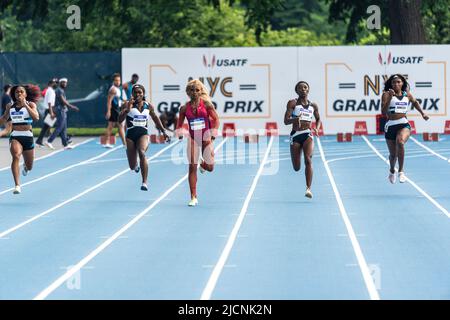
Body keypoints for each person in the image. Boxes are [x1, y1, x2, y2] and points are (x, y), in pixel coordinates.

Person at [176, 79, 220, 207]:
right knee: (191, 166)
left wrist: (213, 132)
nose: (194, 92)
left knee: (211, 168)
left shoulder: (206, 105)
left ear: (201, 91)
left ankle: (204, 165)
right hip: (193, 138)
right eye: (192, 90)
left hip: (206, 137)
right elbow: (179, 124)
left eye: (197, 90)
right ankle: (193, 197)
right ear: (188, 92)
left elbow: (216, 119)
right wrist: (179, 132)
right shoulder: (184, 108)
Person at [119, 84, 169, 191]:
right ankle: (135, 165)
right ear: (132, 94)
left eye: (140, 92)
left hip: (143, 135)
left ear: (143, 94)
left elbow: (155, 118)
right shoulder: (126, 105)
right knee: (132, 166)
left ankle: (144, 182)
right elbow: (119, 120)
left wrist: (164, 131)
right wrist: (127, 109)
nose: (137, 94)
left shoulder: (148, 106)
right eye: (135, 92)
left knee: (142, 152)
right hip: (130, 137)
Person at [382, 74, 429, 183]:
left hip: (403, 123)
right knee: (393, 155)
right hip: (390, 125)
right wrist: (390, 97)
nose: (396, 84)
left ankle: (401, 171)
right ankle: (392, 170)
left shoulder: (407, 94)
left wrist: (423, 113)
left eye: (398, 82)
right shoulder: (386, 94)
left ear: (402, 83)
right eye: (394, 82)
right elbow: (383, 112)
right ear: (391, 84)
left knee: (401, 142)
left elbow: (415, 102)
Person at [284, 81, 321, 199]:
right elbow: (286, 120)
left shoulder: (313, 105)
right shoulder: (292, 103)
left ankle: (308, 188)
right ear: (297, 91)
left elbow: (318, 118)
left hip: (307, 134)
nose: (303, 89)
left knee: (308, 160)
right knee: (296, 167)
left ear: (308, 89)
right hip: (295, 135)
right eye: (300, 88)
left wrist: (317, 128)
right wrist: (294, 120)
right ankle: (298, 154)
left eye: (305, 87)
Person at [0, 85, 40, 194]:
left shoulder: (31, 104)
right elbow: (3, 119)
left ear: (25, 94)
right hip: (15, 135)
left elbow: (36, 117)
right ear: (14, 94)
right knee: (16, 156)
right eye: (17, 92)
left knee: (30, 166)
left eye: (22, 92)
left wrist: (26, 106)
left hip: (28, 136)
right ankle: (17, 185)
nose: (19, 94)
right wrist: (5, 115)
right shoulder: (10, 106)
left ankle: (26, 167)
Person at [45, 78, 79, 150]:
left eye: (65, 82)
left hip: (63, 110)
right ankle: (49, 141)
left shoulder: (61, 90)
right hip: (60, 110)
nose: (64, 84)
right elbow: (63, 101)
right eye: (63, 82)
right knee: (60, 127)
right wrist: (72, 107)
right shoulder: (59, 90)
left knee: (64, 128)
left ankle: (65, 144)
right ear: (60, 83)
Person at [104, 73, 126, 148]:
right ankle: (124, 143)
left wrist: (124, 101)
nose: (118, 82)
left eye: (119, 80)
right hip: (114, 109)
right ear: (113, 81)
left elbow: (118, 99)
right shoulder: (113, 89)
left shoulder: (117, 89)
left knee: (111, 126)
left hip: (117, 109)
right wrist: (108, 111)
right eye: (116, 80)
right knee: (120, 126)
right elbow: (109, 101)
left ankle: (106, 142)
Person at [36, 78, 58, 147]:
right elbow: (49, 102)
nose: (56, 84)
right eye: (54, 83)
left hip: (49, 110)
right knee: (57, 125)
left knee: (47, 127)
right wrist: (51, 112)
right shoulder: (50, 91)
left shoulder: (49, 90)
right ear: (51, 84)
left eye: (56, 83)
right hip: (49, 110)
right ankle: (47, 141)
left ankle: (40, 141)